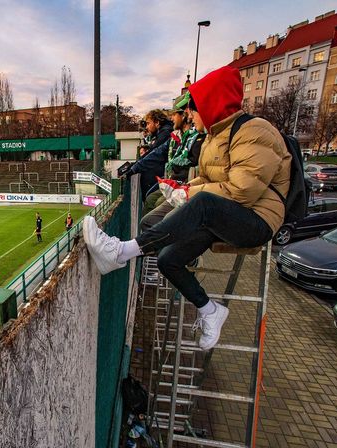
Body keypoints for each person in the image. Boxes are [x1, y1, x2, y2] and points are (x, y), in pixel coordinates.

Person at [84, 65, 291, 351]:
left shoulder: (255, 131)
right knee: (168, 257)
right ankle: (210, 311)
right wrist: (179, 192)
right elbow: (207, 180)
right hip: (224, 215)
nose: (190, 116)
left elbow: (242, 191)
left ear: (211, 105)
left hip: (257, 221)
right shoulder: (215, 137)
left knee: (201, 203)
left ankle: (119, 252)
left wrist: (190, 192)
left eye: (193, 109)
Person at [140, 96, 206, 227]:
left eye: (174, 115)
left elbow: (193, 165)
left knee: (156, 207)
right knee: (150, 200)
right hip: (176, 183)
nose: (171, 118)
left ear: (184, 115)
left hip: (183, 185)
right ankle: (148, 242)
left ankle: (153, 241)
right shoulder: (179, 136)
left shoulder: (197, 137)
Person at [127, 110, 173, 198]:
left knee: (149, 199)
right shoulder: (162, 133)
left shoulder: (165, 133)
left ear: (157, 122)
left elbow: (154, 153)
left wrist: (135, 167)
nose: (147, 127)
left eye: (148, 123)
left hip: (163, 177)